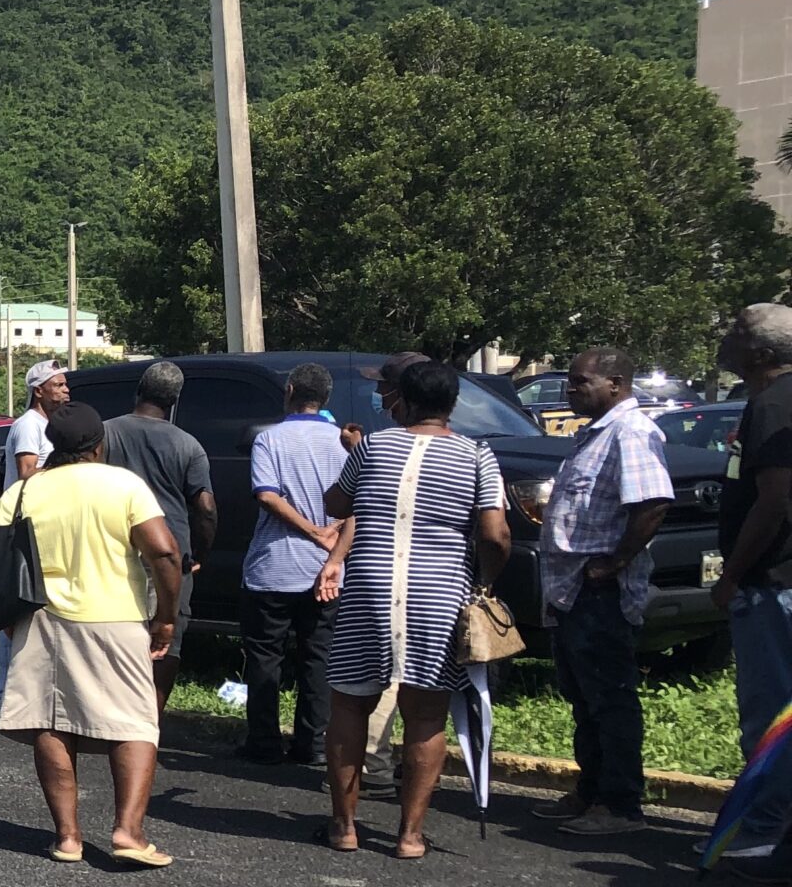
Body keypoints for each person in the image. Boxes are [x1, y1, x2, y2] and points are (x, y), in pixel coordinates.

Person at [314, 360, 510, 858]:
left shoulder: (374, 446)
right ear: (452, 404)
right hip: (439, 594)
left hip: (369, 588)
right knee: (426, 715)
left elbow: (337, 504)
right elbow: (494, 533)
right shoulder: (477, 455)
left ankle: (345, 826)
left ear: (403, 399)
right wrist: (485, 580)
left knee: (350, 705)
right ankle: (409, 835)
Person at [0, 403, 181, 867]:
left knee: (51, 723)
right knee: (135, 723)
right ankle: (128, 831)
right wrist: (165, 617)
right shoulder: (124, 485)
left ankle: (67, 837)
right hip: (116, 619)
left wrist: (5, 615)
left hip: (39, 620)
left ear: (53, 445)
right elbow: (165, 553)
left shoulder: (24, 493)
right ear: (98, 444)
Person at [529, 347, 672, 836]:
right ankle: (590, 792)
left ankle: (620, 803)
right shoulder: (595, 434)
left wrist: (616, 561)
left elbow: (651, 503)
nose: (570, 389)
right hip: (572, 590)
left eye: (579, 381)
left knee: (610, 697)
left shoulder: (631, 432)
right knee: (582, 693)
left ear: (615, 384)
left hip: (600, 591)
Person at [712, 303, 792, 867]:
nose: (724, 338)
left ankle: (762, 829)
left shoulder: (771, 404)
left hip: (771, 586)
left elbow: (774, 500)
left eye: (736, 332)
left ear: (762, 355)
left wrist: (733, 573)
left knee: (768, 714)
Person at [238, 363, 347, 766]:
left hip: (274, 565)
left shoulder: (270, 439)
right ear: (326, 398)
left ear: (289, 390)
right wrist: (328, 537)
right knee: (318, 657)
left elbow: (267, 495)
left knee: (266, 656)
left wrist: (309, 529)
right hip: (328, 570)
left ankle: (264, 740)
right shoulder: (344, 441)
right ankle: (313, 743)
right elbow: (358, 503)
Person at [100, 362, 216, 716]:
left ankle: (110, 713)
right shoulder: (188, 445)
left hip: (115, 549)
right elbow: (206, 507)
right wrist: (199, 552)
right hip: (168, 552)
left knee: (114, 632)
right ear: (175, 401)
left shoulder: (105, 433)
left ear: (138, 390)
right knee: (167, 640)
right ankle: (150, 719)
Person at [0, 360, 71, 711]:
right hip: (21, 524)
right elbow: (26, 471)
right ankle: (2, 696)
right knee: (13, 607)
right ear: (39, 390)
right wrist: (64, 469)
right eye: (58, 385)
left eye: (66, 385)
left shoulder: (53, 425)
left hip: (45, 523)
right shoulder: (29, 425)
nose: (65, 390)